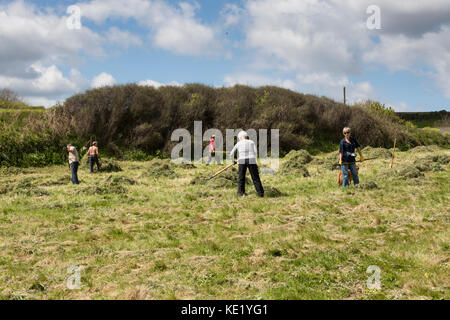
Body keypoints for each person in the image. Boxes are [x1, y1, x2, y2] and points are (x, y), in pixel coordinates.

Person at [230, 131, 264, 197]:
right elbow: (255, 152)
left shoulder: (238, 143)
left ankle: (240, 193)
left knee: (241, 177)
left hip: (242, 160)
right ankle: (260, 194)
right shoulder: (251, 142)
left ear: (240, 137)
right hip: (251, 159)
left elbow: (231, 154)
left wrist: (233, 161)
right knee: (255, 177)